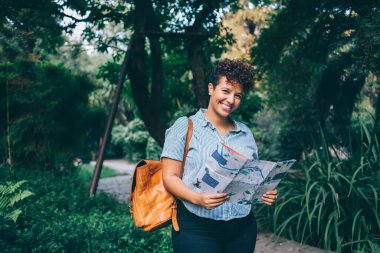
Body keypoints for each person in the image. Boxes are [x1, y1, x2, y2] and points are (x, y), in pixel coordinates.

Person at [161, 59, 278, 253]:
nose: (231, 100)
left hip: (242, 228)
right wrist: (197, 198)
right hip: (196, 227)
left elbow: (250, 179)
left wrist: (263, 193)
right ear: (211, 89)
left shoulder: (245, 133)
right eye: (225, 91)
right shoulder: (185, 126)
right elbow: (169, 177)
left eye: (238, 95)